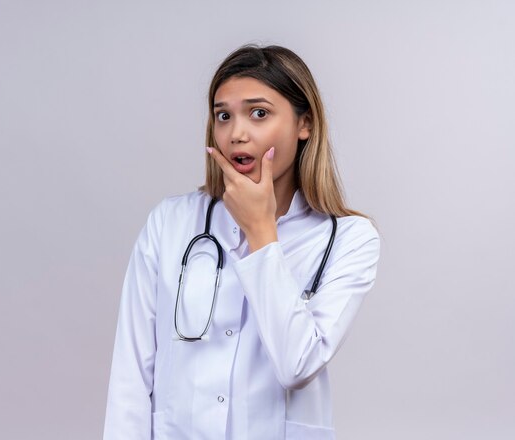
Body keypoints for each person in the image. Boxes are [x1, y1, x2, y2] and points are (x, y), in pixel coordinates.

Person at [103, 44, 380, 440]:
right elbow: (130, 375)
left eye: (259, 113)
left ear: (306, 124)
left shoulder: (349, 239)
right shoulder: (171, 222)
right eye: (223, 115)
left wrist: (261, 233)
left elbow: (296, 365)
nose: (237, 133)